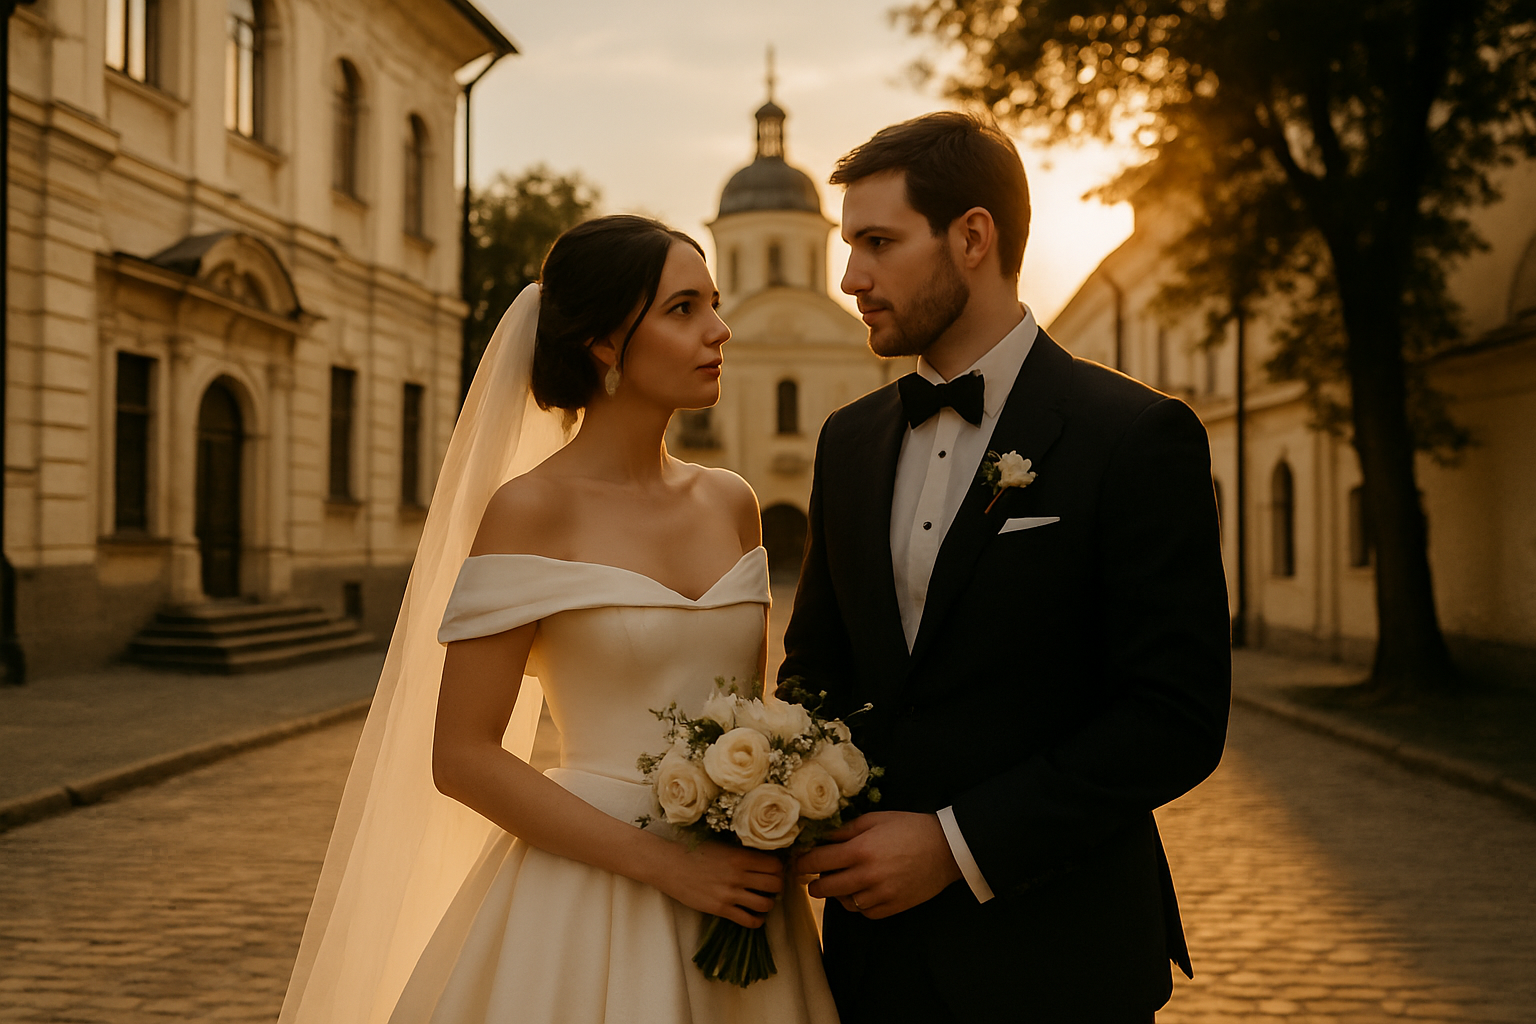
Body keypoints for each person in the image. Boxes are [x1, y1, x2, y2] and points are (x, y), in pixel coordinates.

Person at [280, 215, 838, 1024]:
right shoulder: (529, 509)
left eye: (713, 304)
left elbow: (741, 715)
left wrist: (771, 802)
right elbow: (463, 756)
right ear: (605, 344)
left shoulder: (732, 502)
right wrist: (666, 868)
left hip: (741, 892)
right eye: (683, 309)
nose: (720, 330)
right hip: (591, 896)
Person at [779, 113, 1232, 1022]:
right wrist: (783, 789)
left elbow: (1173, 716)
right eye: (848, 245)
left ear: (973, 237)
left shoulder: (1133, 436)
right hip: (875, 964)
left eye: (877, 242)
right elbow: (816, 665)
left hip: (1059, 958)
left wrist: (955, 846)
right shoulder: (850, 440)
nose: (850, 278)